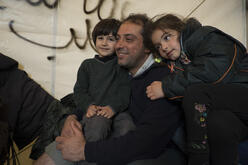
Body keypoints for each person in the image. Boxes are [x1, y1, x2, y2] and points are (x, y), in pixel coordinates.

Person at [34, 14, 185, 165]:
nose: (119, 45)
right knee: (46, 160)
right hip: (103, 134)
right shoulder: (117, 70)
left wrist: (85, 151)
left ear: (147, 47)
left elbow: (149, 141)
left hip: (145, 150)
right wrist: (72, 117)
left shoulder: (162, 79)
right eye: (118, 38)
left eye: (128, 39)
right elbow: (92, 94)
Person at [145, 14, 248, 165]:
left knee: (195, 93)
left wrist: (165, 87)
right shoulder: (177, 65)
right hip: (235, 113)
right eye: (158, 46)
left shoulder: (205, 36)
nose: (164, 47)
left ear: (181, 30)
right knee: (218, 124)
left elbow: (214, 73)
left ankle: (197, 158)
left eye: (167, 37)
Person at [73, 18, 132, 143]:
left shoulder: (121, 65)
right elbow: (79, 91)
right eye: (100, 38)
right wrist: (88, 106)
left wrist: (113, 108)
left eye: (111, 39)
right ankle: (89, 159)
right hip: (94, 112)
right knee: (97, 127)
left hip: (117, 111)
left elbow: (125, 91)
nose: (104, 43)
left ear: (119, 42)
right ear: (94, 40)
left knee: (127, 127)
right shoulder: (87, 65)